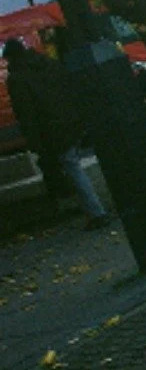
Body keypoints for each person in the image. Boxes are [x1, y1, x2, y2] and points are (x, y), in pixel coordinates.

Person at [2, 38, 110, 229]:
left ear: (10, 57)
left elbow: (27, 114)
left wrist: (34, 141)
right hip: (71, 121)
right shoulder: (48, 64)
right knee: (73, 163)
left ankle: (96, 212)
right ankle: (92, 206)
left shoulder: (17, 79)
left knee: (71, 168)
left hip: (51, 130)